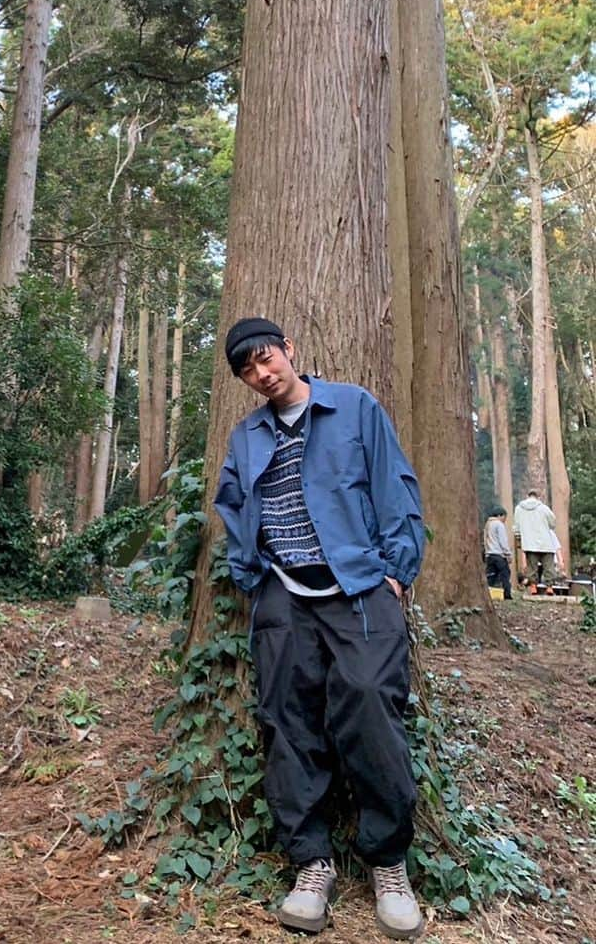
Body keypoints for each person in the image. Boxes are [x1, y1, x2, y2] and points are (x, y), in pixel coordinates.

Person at [214, 318, 425, 941]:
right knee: (287, 717)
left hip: (360, 587)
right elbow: (233, 504)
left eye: (266, 358)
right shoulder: (246, 437)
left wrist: (397, 570)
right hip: (284, 595)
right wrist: (252, 576)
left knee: (369, 706)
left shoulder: (353, 407)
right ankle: (311, 865)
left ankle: (387, 862)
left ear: (289, 351)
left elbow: (395, 486)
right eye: (248, 369)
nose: (262, 372)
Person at [513, 490, 558, 586]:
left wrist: (519, 538)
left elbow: (516, 527)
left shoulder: (519, 509)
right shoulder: (544, 508)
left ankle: (533, 586)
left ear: (527, 496)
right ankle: (549, 586)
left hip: (529, 543)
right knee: (548, 566)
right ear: (538, 497)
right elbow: (553, 523)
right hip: (546, 542)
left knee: (532, 567)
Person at [483, 506, 513, 600]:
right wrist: (508, 553)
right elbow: (502, 541)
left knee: (490, 576)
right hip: (498, 555)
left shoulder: (487, 524)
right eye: (504, 517)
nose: (504, 520)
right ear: (500, 515)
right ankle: (507, 595)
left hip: (489, 555)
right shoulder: (499, 524)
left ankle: (486, 595)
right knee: (505, 574)